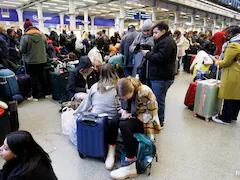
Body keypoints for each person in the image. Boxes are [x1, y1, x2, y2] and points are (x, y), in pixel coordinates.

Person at [107, 77, 160, 179]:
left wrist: (136, 116)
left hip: (144, 119)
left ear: (132, 90)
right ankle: (111, 150)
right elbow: (119, 106)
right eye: (123, 98)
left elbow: (152, 113)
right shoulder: (119, 92)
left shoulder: (145, 92)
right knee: (113, 121)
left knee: (124, 125)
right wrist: (123, 111)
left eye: (126, 97)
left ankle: (130, 163)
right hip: (130, 114)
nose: (125, 99)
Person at [142, 21, 177, 128]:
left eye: (156, 33)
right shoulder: (164, 40)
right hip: (159, 76)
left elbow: (160, 58)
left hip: (161, 77)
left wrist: (147, 54)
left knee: (158, 100)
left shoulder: (166, 42)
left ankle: (159, 121)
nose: (154, 35)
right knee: (157, 99)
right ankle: (156, 119)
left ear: (163, 31)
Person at [212, 26, 240, 124]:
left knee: (229, 95)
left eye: (227, 34)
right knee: (237, 96)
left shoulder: (233, 45)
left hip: (233, 73)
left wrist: (216, 62)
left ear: (231, 34)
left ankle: (225, 118)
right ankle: (233, 116)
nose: (225, 36)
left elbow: (226, 62)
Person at [19, 18, 49, 101]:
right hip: (42, 59)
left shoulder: (25, 37)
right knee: (42, 76)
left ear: (25, 28)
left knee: (33, 78)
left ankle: (35, 96)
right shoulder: (42, 35)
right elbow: (46, 47)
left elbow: (22, 49)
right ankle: (46, 93)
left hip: (30, 60)